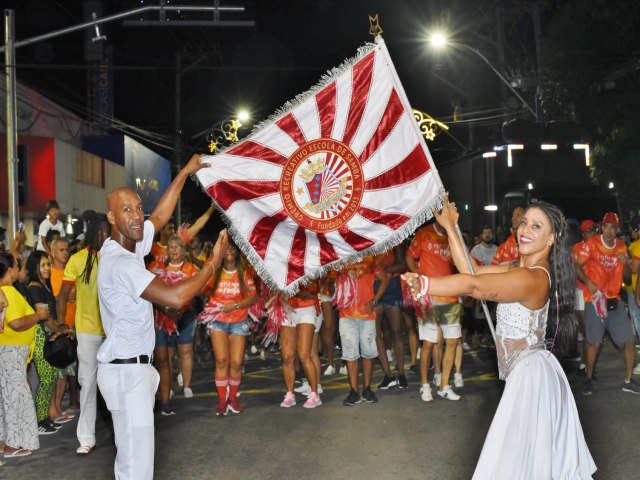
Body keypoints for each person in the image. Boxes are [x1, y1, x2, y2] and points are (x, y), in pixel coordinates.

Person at [403, 197, 596, 479]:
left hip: (532, 377)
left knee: (515, 463)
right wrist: (452, 227)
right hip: (527, 373)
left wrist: (425, 283)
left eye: (536, 226)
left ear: (551, 238)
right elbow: (472, 271)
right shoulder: (517, 268)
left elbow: (476, 287)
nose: (525, 230)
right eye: (524, 223)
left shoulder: (535, 278)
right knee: (523, 464)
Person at [96, 153, 228, 480]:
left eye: (139, 207)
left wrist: (184, 172)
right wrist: (213, 262)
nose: (138, 216)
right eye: (127, 210)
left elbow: (161, 216)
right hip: (127, 374)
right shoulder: (121, 263)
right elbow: (177, 296)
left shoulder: (126, 247)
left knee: (131, 461)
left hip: (128, 370)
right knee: (137, 467)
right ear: (111, 217)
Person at [57, 213, 110, 455]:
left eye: (106, 231)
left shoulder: (113, 256)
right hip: (88, 331)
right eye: (99, 231)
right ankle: (86, 437)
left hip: (113, 331)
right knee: (87, 384)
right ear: (91, 233)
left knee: (114, 384)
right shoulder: (77, 260)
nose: (103, 235)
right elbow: (62, 294)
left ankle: (123, 432)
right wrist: (61, 324)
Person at [574, 212, 639, 395]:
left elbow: (627, 277)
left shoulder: (621, 247)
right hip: (594, 300)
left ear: (618, 230)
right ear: (602, 227)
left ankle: (628, 380)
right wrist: (588, 282)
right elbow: (577, 266)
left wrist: (625, 264)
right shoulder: (592, 244)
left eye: (613, 227)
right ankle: (588, 378)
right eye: (606, 226)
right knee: (594, 342)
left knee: (629, 340)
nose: (609, 230)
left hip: (614, 299)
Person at [407, 220, 463, 402]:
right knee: (429, 343)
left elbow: (461, 261)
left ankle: (444, 386)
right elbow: (409, 256)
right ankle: (424, 385)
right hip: (429, 297)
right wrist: (419, 276)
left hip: (450, 296)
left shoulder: (453, 234)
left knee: (453, 341)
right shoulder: (424, 234)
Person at [199, 242, 257, 416]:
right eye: (227, 248)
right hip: (218, 322)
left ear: (237, 252)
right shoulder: (215, 272)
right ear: (221, 253)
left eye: (232, 248)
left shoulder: (243, 273)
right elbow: (202, 290)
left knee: (237, 363)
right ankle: (222, 402)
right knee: (222, 361)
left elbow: (253, 297)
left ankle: (233, 399)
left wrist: (236, 304)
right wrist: (210, 302)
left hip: (239, 322)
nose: (230, 250)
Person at [0, 253, 49, 458]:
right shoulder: (6, 291)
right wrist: (38, 316)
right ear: (10, 269)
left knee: (8, 398)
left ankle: (6, 443)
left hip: (12, 352)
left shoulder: (7, 291)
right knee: (15, 398)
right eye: (17, 267)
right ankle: (12, 443)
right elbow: (15, 323)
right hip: (10, 351)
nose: (21, 272)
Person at [147, 234, 201, 415]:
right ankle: (166, 389)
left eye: (177, 246)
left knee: (185, 352)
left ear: (183, 250)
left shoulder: (191, 269)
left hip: (185, 316)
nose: (174, 249)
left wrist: (182, 307)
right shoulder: (157, 269)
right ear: (167, 251)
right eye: (171, 247)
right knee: (164, 358)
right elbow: (150, 291)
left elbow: (196, 290)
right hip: (162, 317)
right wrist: (167, 309)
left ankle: (186, 385)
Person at [25, 251, 73, 434]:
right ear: (34, 267)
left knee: (51, 378)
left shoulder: (42, 286)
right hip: (40, 336)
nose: (46, 268)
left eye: (47, 265)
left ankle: (44, 418)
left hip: (47, 335)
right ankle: (40, 421)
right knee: (46, 380)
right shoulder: (35, 288)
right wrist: (59, 330)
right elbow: (44, 317)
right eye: (42, 265)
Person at [337, 256, 388, 406]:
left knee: (368, 353)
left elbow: (384, 280)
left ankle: (366, 389)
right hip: (346, 314)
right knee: (350, 354)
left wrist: (374, 301)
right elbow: (330, 283)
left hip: (367, 314)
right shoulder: (341, 258)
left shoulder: (371, 258)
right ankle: (354, 391)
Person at [48, 238, 80, 425]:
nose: (65, 252)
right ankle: (54, 408)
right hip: (58, 326)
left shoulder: (72, 271)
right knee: (58, 371)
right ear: (52, 252)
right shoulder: (49, 273)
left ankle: (59, 406)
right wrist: (63, 296)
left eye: (67, 249)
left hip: (74, 324)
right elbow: (49, 297)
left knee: (67, 369)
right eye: (61, 250)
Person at [280, 281, 322, 409]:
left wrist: (291, 290)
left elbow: (312, 292)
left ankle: (314, 394)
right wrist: (280, 297)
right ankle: (290, 394)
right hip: (287, 309)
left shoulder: (308, 265)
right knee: (287, 357)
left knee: (304, 355)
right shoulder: (282, 267)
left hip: (306, 309)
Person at [148, 204, 215, 265]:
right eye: (170, 228)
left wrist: (213, 206)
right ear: (161, 230)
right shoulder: (151, 248)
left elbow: (198, 226)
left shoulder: (179, 240)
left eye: (173, 228)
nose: (173, 231)